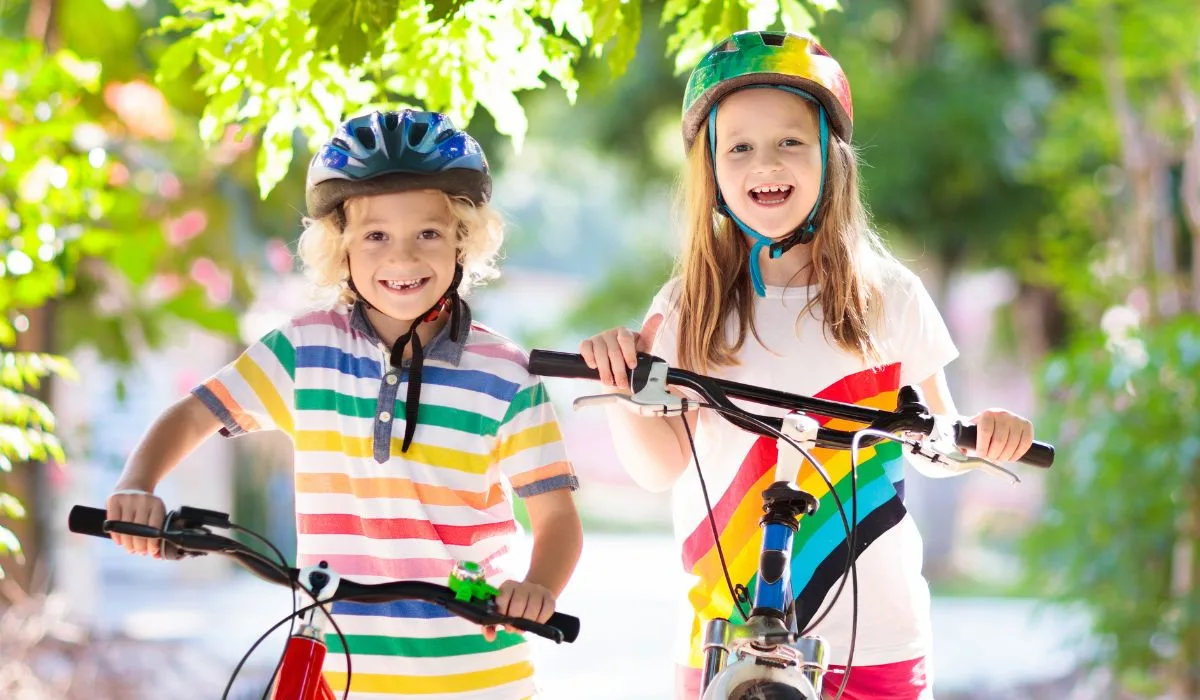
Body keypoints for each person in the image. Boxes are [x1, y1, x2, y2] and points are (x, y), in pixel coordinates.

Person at [579, 31, 1035, 699]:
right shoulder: (686, 307)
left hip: (874, 639)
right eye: (739, 147)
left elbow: (937, 441)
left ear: (832, 158)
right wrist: (624, 391)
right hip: (726, 633)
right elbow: (659, 467)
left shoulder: (889, 296)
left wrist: (982, 436)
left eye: (790, 141)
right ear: (712, 171)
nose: (766, 162)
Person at [106, 108, 583, 698]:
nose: (402, 258)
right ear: (340, 248)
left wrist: (538, 588)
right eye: (375, 235)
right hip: (336, 670)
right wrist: (138, 483)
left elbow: (557, 517)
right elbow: (196, 412)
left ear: (463, 240)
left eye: (428, 234)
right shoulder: (305, 349)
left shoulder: (505, 374)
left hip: (474, 675)